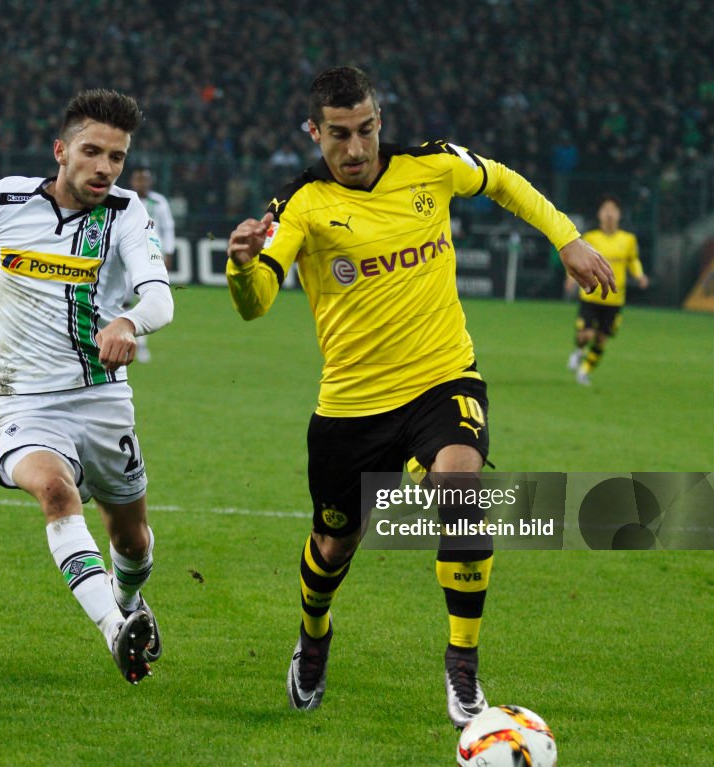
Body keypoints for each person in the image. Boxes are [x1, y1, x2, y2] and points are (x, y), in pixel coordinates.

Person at [226, 66, 615, 725]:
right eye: (340, 135)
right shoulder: (302, 206)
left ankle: (463, 666)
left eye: (367, 130)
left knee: (460, 492)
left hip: (443, 378)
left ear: (381, 120)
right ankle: (314, 635)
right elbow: (256, 303)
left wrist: (567, 237)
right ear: (314, 133)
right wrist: (241, 265)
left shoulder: (431, 166)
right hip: (351, 406)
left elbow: (507, 183)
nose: (355, 149)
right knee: (332, 545)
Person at [0, 89, 174, 684]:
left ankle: (129, 603)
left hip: (103, 400)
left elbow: (159, 293)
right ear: (61, 150)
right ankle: (113, 628)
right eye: (92, 151)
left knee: (130, 540)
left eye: (117, 157)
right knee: (56, 493)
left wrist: (129, 321)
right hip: (22, 404)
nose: (104, 167)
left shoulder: (127, 213)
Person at [566, 194, 649, 385]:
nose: (609, 214)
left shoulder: (628, 239)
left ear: (619, 215)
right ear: (599, 214)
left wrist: (639, 275)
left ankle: (584, 371)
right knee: (585, 335)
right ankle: (578, 351)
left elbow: (633, 260)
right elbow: (576, 259)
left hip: (615, 298)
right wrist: (570, 278)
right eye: (606, 210)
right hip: (591, 294)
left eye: (613, 210)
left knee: (601, 339)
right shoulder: (590, 238)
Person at [126, 165, 176, 362]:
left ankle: (141, 345)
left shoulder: (159, 202)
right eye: (138, 179)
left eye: (144, 179)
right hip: (126, 258)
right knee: (123, 300)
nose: (141, 183)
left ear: (150, 181)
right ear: (132, 181)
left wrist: (169, 251)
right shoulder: (125, 199)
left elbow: (168, 227)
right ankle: (123, 340)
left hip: (151, 258)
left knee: (147, 300)